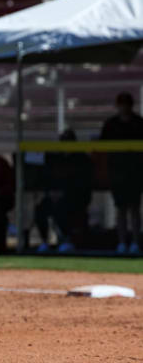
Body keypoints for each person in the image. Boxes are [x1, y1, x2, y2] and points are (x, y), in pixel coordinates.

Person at [34, 129, 93, 253]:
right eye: (64, 142)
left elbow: (83, 183)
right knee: (40, 209)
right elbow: (48, 179)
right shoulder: (56, 158)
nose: (66, 145)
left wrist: (64, 193)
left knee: (62, 208)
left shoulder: (81, 158)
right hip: (54, 196)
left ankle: (67, 240)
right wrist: (51, 192)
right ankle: (45, 241)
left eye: (69, 142)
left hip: (76, 197)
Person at [99, 92, 143, 254]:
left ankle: (136, 243)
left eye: (127, 103)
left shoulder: (139, 123)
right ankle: (122, 242)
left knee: (135, 208)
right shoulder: (111, 124)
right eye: (121, 104)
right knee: (121, 209)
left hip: (135, 173)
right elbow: (102, 147)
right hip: (118, 173)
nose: (124, 107)